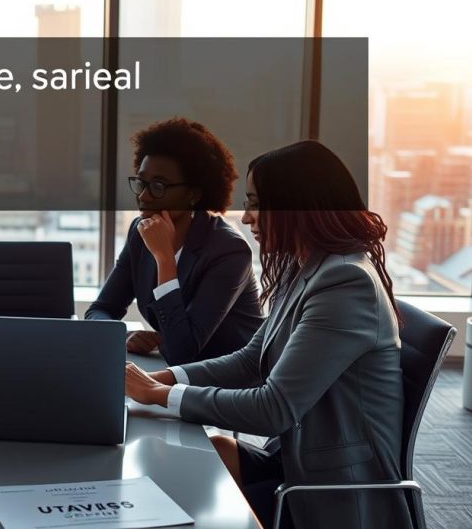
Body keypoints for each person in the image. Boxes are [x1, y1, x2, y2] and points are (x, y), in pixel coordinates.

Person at [124, 140, 411, 529]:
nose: (246, 218)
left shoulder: (346, 283)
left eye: (257, 204)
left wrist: (159, 394)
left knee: (191, 497)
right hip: (294, 460)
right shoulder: (307, 266)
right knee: (208, 452)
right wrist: (162, 379)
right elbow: (250, 361)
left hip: (333, 494)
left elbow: (273, 409)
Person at [86, 117, 263, 365]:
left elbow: (182, 351)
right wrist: (122, 335)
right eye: (141, 182)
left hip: (231, 378)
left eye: (158, 186)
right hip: (177, 372)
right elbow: (100, 310)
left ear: (193, 194)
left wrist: (164, 258)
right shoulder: (140, 232)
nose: (144, 196)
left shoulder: (228, 250)